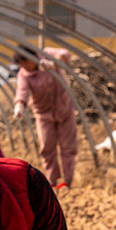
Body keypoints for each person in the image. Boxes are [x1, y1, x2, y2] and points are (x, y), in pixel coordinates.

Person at [13, 46, 78, 190]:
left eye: (25, 62)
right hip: (43, 113)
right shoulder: (24, 74)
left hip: (64, 108)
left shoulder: (46, 54)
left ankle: (68, 180)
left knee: (68, 146)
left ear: (32, 57)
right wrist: (19, 104)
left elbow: (65, 53)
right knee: (47, 147)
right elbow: (22, 90)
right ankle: (52, 180)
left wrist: (54, 63)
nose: (24, 67)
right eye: (21, 65)